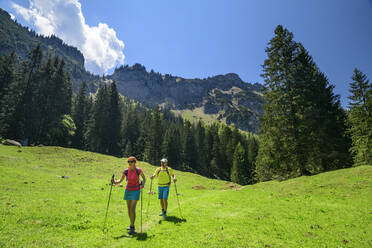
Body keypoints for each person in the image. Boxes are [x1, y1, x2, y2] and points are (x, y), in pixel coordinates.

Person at [112, 156, 145, 234]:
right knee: (129, 209)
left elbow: (144, 178)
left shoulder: (138, 170)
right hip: (128, 190)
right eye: (129, 162)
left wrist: (143, 184)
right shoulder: (126, 171)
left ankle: (132, 226)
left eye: (131, 161)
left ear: (135, 162)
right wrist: (114, 181)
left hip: (136, 190)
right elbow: (120, 181)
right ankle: (131, 224)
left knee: (132, 209)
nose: (130, 163)